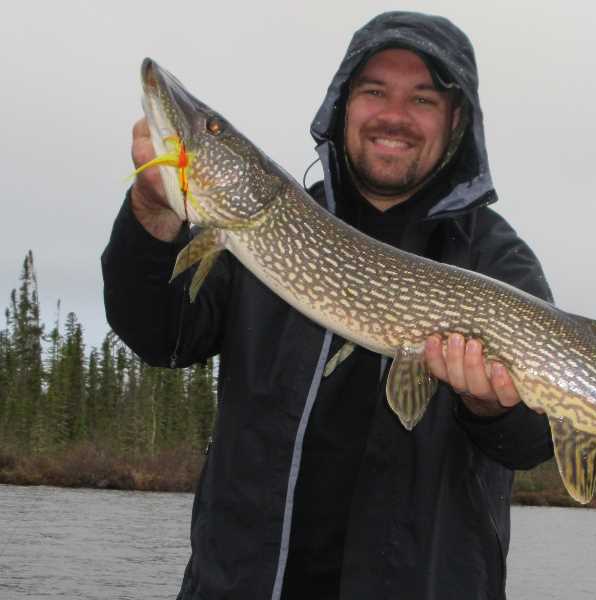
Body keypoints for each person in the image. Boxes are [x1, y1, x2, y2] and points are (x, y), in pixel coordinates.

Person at [103, 11, 554, 600]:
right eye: (374, 92)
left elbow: (535, 440)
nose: (394, 116)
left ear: (456, 120)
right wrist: (152, 210)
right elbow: (159, 334)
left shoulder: (497, 260)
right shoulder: (264, 229)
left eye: (422, 99)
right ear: (343, 105)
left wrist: (491, 407)